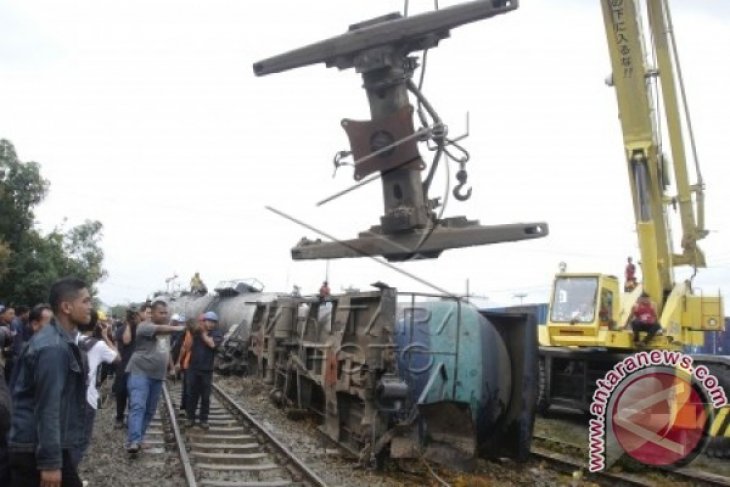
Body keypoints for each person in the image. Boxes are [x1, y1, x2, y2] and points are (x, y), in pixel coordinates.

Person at [9, 277, 91, 487]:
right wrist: (50, 463)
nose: (90, 307)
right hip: (34, 449)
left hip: (39, 444)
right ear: (66, 307)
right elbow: (48, 406)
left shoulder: (57, 340)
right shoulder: (53, 348)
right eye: (86, 301)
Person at [125, 300, 181, 454]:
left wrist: (171, 367)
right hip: (140, 372)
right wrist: (180, 327)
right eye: (161, 312)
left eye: (165, 313)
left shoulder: (165, 332)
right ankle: (134, 440)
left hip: (157, 376)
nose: (164, 315)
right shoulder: (145, 326)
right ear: (153, 313)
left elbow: (165, 350)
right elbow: (162, 329)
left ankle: (139, 439)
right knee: (138, 406)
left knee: (150, 410)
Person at [72, 311, 119, 467]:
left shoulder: (71, 338)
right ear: (96, 325)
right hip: (87, 399)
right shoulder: (98, 345)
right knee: (81, 442)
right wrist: (106, 336)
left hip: (69, 396)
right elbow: (118, 358)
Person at [184, 311, 223, 429]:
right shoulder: (196, 332)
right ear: (204, 321)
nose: (211, 324)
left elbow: (212, 344)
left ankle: (204, 419)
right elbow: (187, 347)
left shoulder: (217, 334)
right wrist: (190, 332)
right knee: (192, 394)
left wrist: (202, 333)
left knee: (205, 396)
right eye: (209, 321)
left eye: (213, 322)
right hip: (193, 369)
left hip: (207, 370)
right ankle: (190, 418)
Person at [112, 304, 145, 429]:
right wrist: (128, 324)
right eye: (131, 314)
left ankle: (132, 418)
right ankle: (119, 417)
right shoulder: (122, 328)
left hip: (137, 367)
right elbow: (126, 340)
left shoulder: (141, 329)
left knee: (134, 395)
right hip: (123, 366)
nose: (133, 317)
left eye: (134, 314)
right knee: (121, 393)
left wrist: (138, 322)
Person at [175, 317, 199, 415]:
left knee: (187, 388)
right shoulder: (191, 334)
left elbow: (183, 348)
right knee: (190, 388)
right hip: (190, 363)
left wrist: (178, 362)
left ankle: (185, 408)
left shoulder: (189, 333)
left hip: (189, 363)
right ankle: (187, 409)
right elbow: (184, 348)